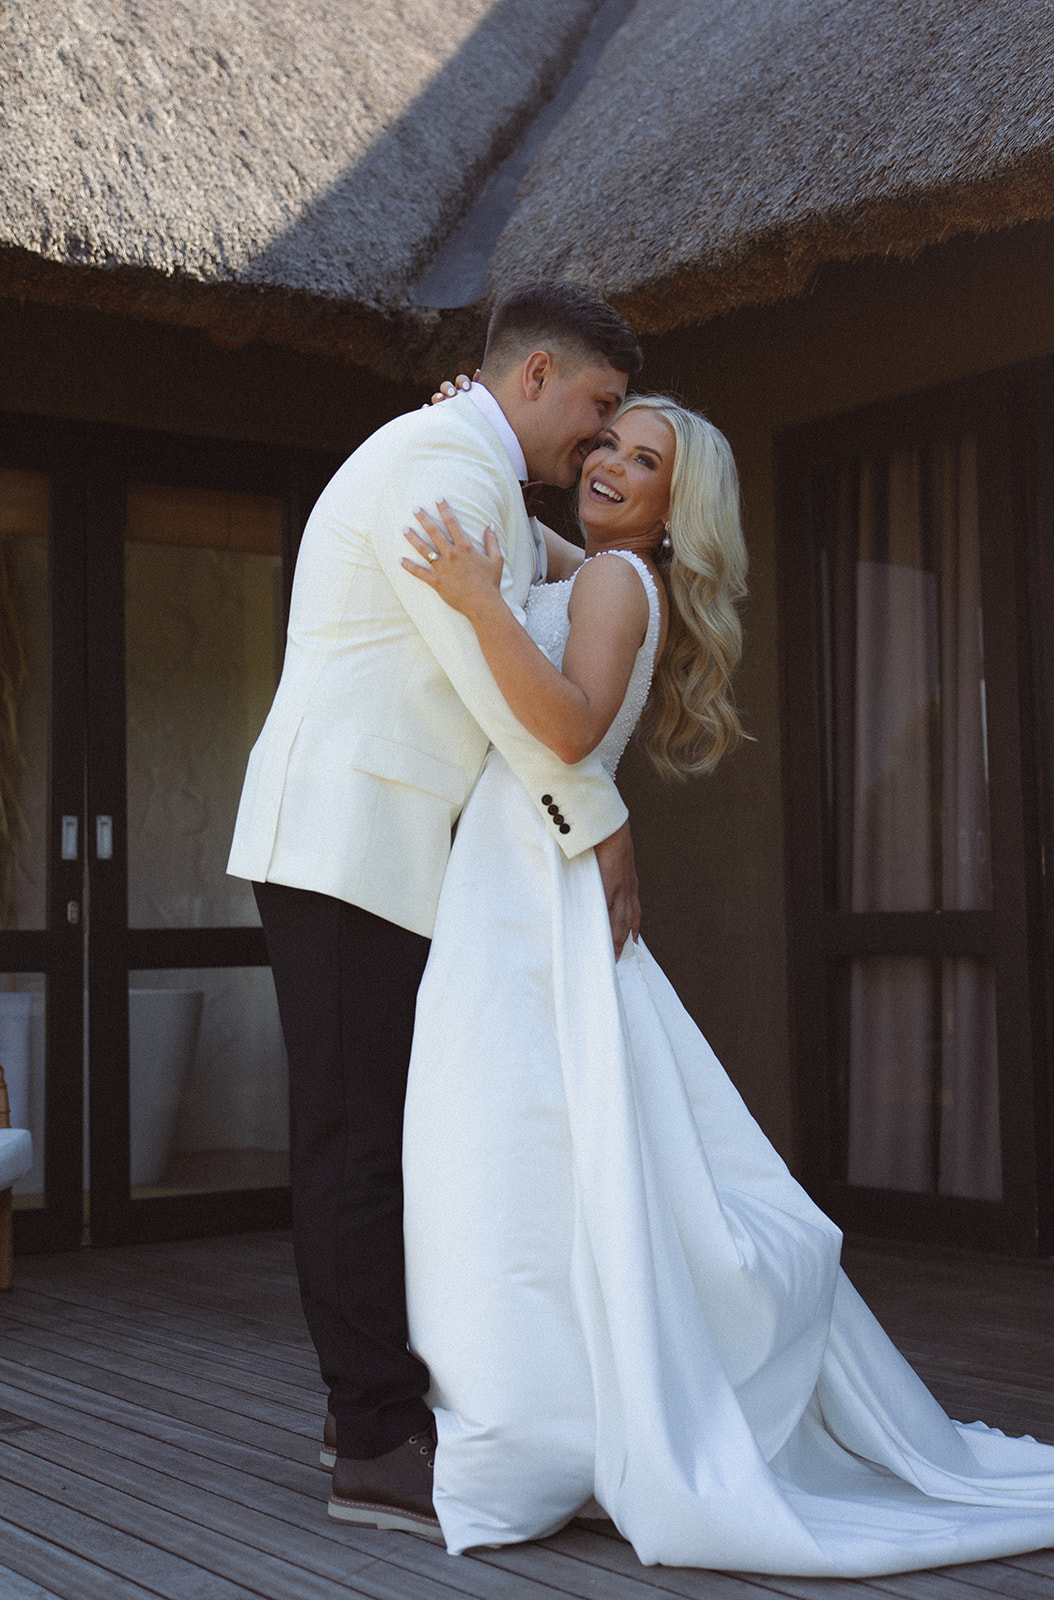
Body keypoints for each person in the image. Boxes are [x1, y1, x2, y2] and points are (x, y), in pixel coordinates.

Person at [399, 394, 1054, 1575]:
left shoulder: (614, 585)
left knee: (513, 1142)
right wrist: (468, 425)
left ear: (674, 506)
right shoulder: (597, 566)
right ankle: (554, 1420)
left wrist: (467, 601)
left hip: (528, 873)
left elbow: (561, 726)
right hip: (524, 870)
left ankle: (545, 1428)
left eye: (639, 459)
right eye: (604, 442)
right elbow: (516, 517)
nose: (606, 461)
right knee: (546, 1147)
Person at [227, 282, 644, 1537]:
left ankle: (376, 1406)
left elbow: (570, 579)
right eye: (597, 405)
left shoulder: (474, 470)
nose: (601, 433)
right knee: (351, 1143)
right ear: (531, 379)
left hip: (386, 850)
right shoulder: (446, 478)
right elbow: (514, 699)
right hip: (348, 843)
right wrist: (604, 831)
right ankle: (370, 1436)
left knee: (376, 1136)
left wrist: (647, 550)